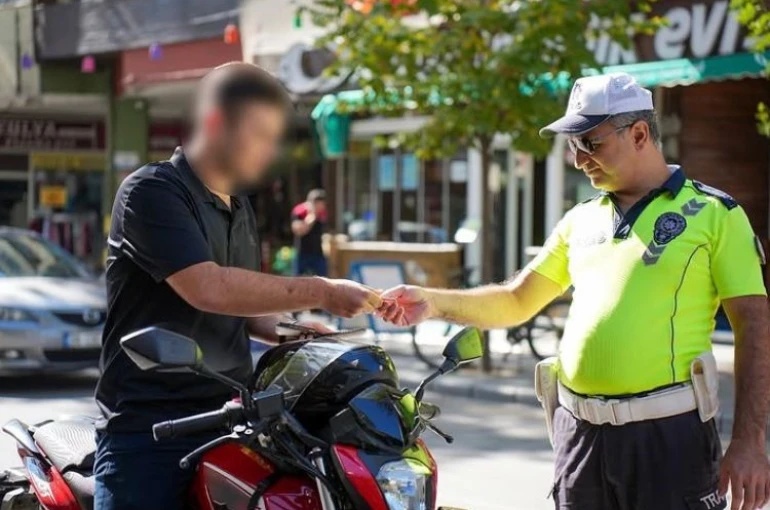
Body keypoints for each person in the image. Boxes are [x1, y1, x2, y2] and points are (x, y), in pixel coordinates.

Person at [377, 73, 770, 510]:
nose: (579, 159)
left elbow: (754, 325)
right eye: (572, 145)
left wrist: (750, 443)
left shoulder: (716, 214)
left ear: (639, 133)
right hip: (579, 437)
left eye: (591, 143)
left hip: (669, 439)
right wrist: (432, 302)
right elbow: (515, 300)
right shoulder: (579, 219)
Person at [94, 62, 382, 510]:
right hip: (149, 433)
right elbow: (210, 288)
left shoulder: (240, 207)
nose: (268, 150)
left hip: (230, 420)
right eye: (259, 134)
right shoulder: (151, 191)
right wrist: (322, 290)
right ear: (214, 122)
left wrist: (298, 332)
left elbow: (246, 311)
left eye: (273, 137)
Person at [291, 189, 328, 277]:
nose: (322, 207)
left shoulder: (322, 213)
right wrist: (312, 217)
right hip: (303, 253)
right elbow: (298, 231)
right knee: (299, 282)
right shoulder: (300, 211)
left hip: (318, 253)